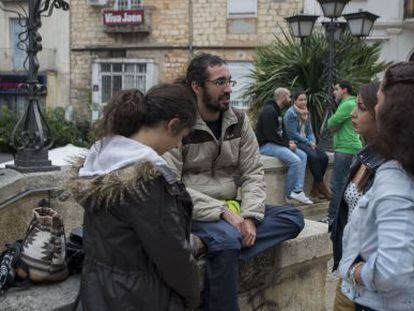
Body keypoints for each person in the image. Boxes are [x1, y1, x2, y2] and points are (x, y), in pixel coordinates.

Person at [164, 53, 305, 311]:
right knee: (228, 240)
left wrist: (250, 216)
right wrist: (220, 212)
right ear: (197, 86)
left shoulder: (239, 121)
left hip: (233, 209)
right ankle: (221, 244)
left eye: (230, 81)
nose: (228, 88)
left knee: (293, 219)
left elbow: (253, 172)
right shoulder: (180, 124)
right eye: (220, 82)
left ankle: (215, 245)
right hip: (195, 211)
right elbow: (170, 186)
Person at [68, 85, 200, 310]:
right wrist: (193, 296)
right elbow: (172, 255)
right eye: (182, 137)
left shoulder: (102, 160)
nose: (178, 145)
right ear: (173, 125)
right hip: (141, 298)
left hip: (99, 292)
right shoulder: (147, 180)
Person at [339, 62, 414, 311]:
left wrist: (356, 271)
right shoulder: (374, 159)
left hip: (377, 300)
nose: (354, 114)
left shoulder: (394, 175)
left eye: (377, 101)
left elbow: (391, 272)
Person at [330, 81, 383, 311]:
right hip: (349, 269)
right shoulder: (363, 156)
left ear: (380, 113)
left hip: (370, 276)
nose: (353, 113)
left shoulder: (392, 167)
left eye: (361, 108)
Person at [256, 87, 313, 205]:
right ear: (282, 97)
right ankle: (288, 194)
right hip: (265, 145)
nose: (290, 99)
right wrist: (286, 144)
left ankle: (298, 190)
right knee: (295, 161)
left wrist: (288, 142)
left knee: (302, 155)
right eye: (288, 97)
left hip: (274, 143)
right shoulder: (269, 111)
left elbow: (280, 133)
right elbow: (270, 135)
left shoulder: (277, 110)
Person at [284, 90, 331, 200]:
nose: (303, 102)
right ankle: (321, 186)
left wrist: (313, 141)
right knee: (313, 157)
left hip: (306, 141)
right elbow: (293, 134)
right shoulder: (290, 114)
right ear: (294, 101)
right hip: (296, 142)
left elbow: (310, 131)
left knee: (324, 157)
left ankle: (315, 188)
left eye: (305, 99)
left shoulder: (306, 112)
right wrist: (308, 142)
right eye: (300, 100)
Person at [327, 80, 362, 224]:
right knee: (347, 185)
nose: (334, 92)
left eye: (336, 89)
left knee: (337, 185)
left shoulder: (347, 104)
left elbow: (330, 124)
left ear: (344, 90)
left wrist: (335, 125)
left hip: (345, 149)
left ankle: (333, 218)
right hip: (350, 148)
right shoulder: (350, 104)